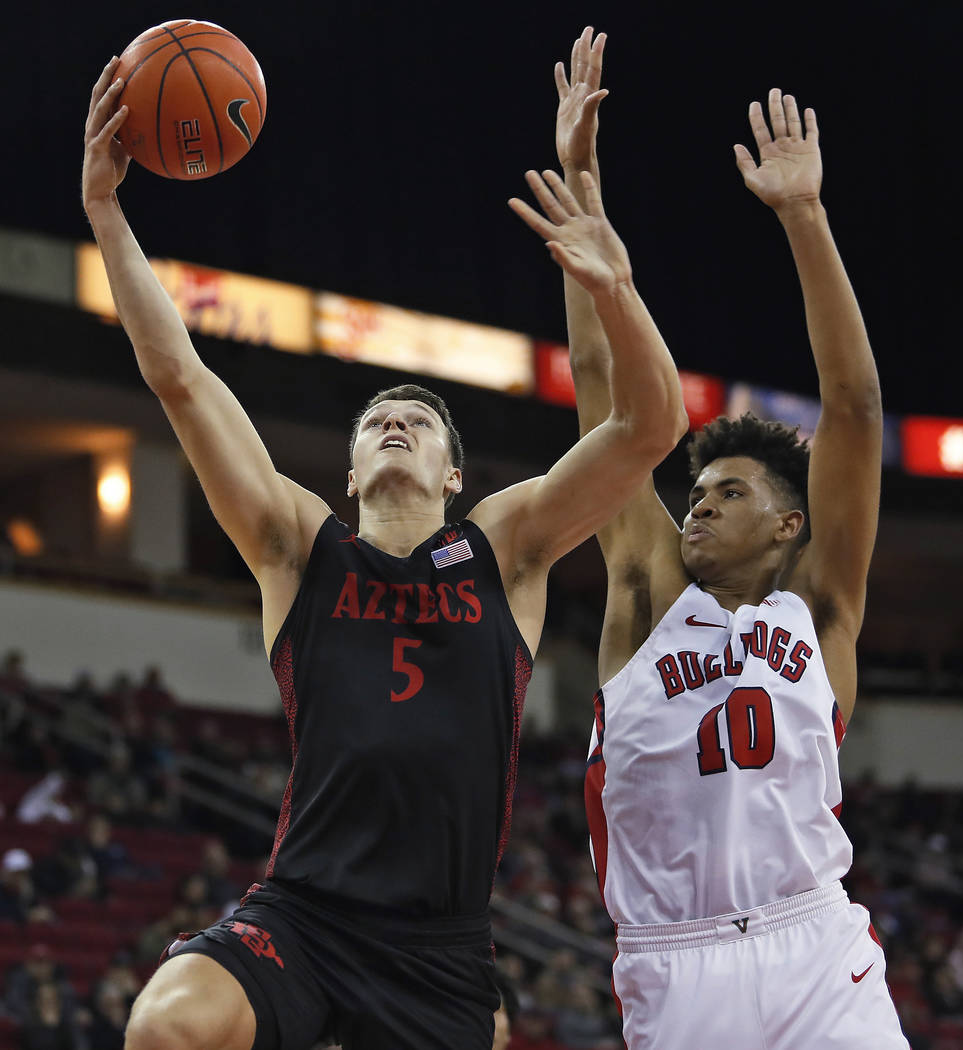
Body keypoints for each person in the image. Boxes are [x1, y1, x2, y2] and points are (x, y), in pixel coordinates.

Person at [81, 47, 686, 1050]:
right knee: (167, 1027)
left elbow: (648, 430)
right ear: (351, 472)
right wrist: (108, 215)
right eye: (376, 422)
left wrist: (613, 283)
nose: (395, 423)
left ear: (457, 475)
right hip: (306, 914)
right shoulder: (295, 545)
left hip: (440, 946)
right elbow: (180, 379)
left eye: (418, 418)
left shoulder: (508, 547)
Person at [555, 27, 910, 1050]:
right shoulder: (645, 591)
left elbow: (853, 405)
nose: (696, 505)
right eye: (693, 492)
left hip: (816, 946)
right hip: (678, 957)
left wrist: (804, 217)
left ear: (788, 526)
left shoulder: (821, 613)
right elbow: (601, 392)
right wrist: (582, 178)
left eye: (726, 492)